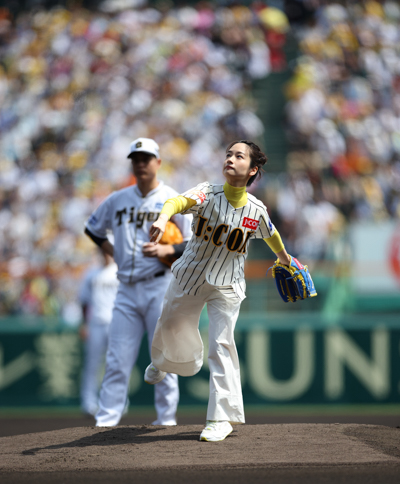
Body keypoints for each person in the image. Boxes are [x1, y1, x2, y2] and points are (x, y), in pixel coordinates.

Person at [144, 139, 294, 442]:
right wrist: (162, 217)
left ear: (252, 169)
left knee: (222, 345)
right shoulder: (208, 192)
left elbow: (271, 232)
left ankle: (220, 418)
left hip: (227, 285)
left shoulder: (256, 209)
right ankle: (162, 362)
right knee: (171, 323)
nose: (230, 158)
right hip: (189, 276)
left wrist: (285, 258)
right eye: (228, 154)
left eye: (239, 156)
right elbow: (177, 202)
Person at [84, 138, 193, 427]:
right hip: (126, 289)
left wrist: (167, 250)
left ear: (158, 162)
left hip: (160, 284)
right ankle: (106, 420)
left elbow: (194, 242)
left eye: (146, 158)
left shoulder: (171, 198)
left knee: (163, 356)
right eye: (136, 159)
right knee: (117, 358)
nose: (141, 163)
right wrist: (112, 252)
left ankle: (166, 418)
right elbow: (93, 229)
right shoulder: (117, 199)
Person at [79, 250, 119, 416]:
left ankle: (117, 402)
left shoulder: (120, 271)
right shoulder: (91, 273)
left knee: (117, 364)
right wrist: (84, 324)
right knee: (92, 364)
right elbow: (84, 301)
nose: (106, 255)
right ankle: (89, 403)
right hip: (95, 323)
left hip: (116, 323)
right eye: (103, 252)